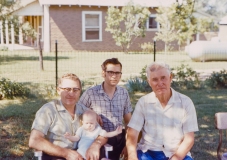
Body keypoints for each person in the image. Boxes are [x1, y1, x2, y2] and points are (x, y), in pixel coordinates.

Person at [126, 62, 199, 160]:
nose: (160, 83)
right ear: (149, 82)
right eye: (155, 80)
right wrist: (132, 156)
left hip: (177, 153)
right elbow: (132, 133)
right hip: (148, 153)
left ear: (170, 77)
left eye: (163, 78)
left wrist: (176, 158)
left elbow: (189, 139)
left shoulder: (185, 102)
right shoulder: (143, 102)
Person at [29, 73, 107, 160]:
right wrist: (66, 153)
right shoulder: (48, 110)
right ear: (58, 90)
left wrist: (96, 145)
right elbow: (34, 140)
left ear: (80, 92)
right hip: (55, 156)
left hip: (81, 155)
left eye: (75, 90)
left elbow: (102, 134)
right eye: (67, 89)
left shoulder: (85, 111)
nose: (71, 93)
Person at [78, 58, 133, 160]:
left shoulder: (123, 93)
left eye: (117, 73)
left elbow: (129, 122)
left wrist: (128, 145)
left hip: (119, 137)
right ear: (103, 73)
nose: (114, 76)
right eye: (110, 72)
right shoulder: (91, 93)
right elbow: (78, 112)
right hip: (98, 138)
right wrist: (91, 113)